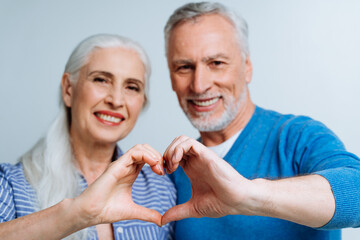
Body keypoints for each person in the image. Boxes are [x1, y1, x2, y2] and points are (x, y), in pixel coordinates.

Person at [161, 2, 360, 240]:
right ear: (171, 79)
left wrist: (248, 196)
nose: (199, 85)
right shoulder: (174, 170)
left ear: (247, 67)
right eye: (184, 67)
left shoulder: (297, 137)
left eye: (216, 63)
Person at [0, 34, 176, 239]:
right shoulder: (10, 185)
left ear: (142, 102)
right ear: (68, 89)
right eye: (101, 80)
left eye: (132, 87)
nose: (116, 100)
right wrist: (76, 214)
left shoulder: (161, 191)